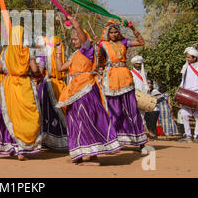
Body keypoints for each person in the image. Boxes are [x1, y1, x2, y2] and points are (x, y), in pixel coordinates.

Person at [55, 16, 121, 165]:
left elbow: (83, 38)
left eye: (76, 38)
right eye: (72, 40)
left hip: (86, 90)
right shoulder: (74, 55)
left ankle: (93, 155)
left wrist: (75, 23)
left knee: (87, 119)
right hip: (74, 91)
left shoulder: (87, 50)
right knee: (74, 121)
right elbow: (60, 68)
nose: (74, 41)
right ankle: (79, 153)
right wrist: (59, 51)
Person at [0, 25, 42, 161]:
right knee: (25, 116)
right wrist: (38, 72)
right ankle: (21, 149)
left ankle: (11, 147)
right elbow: (34, 70)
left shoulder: (5, 52)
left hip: (8, 86)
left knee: (9, 116)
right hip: (24, 85)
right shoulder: (27, 51)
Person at [99, 20, 147, 148]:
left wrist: (133, 28)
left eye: (116, 32)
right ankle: (112, 141)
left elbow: (141, 42)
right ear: (108, 34)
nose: (114, 35)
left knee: (132, 110)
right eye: (112, 33)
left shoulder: (124, 42)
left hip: (126, 78)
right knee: (115, 112)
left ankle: (140, 142)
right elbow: (98, 60)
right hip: (111, 80)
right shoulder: (103, 45)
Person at [36, 35, 68, 150]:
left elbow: (39, 71)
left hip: (47, 85)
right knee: (60, 111)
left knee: (47, 113)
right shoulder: (62, 56)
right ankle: (63, 139)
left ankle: (49, 140)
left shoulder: (43, 55)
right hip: (61, 86)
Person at [130, 55, 150, 127]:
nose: (138, 65)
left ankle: (142, 130)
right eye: (136, 63)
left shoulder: (144, 73)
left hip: (143, 96)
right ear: (133, 64)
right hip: (134, 95)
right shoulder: (130, 73)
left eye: (139, 64)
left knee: (142, 114)